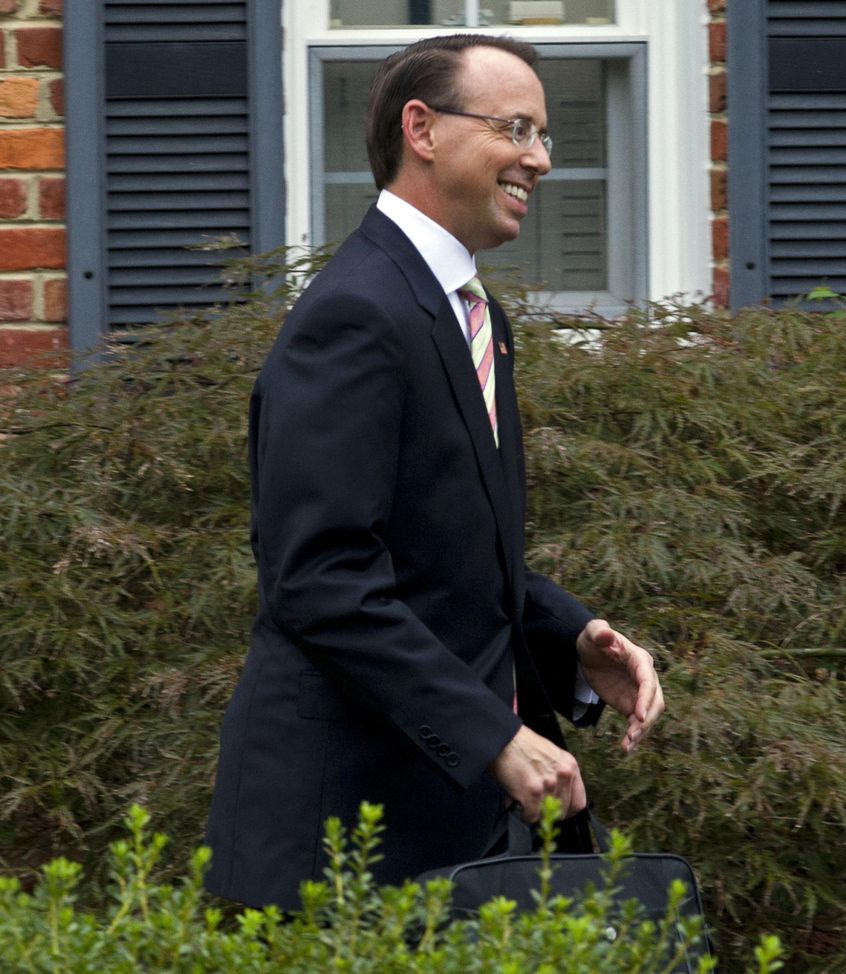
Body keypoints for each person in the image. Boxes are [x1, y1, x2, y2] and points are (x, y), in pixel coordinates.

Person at [202, 34, 665, 911]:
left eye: (545, 137)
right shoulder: (354, 315)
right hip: (342, 836)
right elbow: (320, 577)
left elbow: (447, 551)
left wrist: (572, 637)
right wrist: (494, 734)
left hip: (451, 825)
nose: (540, 159)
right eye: (517, 128)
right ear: (422, 128)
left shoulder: (470, 314)